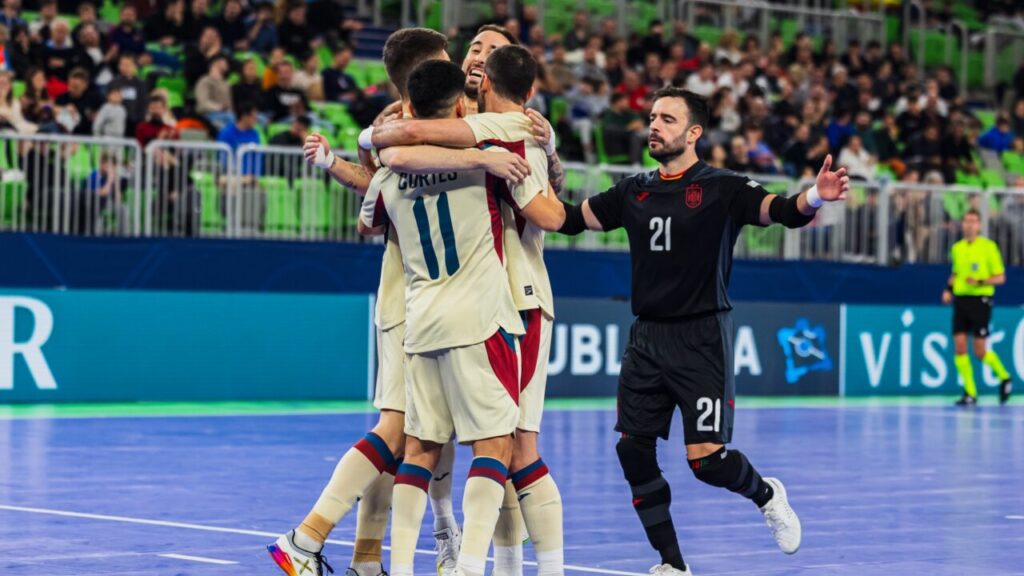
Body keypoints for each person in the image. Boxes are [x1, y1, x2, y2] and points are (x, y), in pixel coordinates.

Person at [556, 87, 851, 575]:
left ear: (693, 133)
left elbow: (781, 211)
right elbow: (568, 219)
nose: (654, 125)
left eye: (667, 119)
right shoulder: (632, 190)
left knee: (706, 462)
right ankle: (673, 564)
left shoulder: (722, 187)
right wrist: (516, 186)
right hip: (647, 338)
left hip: (701, 339)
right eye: (652, 117)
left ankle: (767, 493)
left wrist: (817, 194)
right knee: (632, 449)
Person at [364, 43, 568, 576]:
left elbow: (375, 202)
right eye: (469, 50)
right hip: (485, 312)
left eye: (485, 53)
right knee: (502, 446)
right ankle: (480, 564)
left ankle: (407, 565)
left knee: (421, 448)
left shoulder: (395, 168)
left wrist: (366, 142)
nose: (475, 58)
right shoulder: (500, 143)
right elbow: (547, 213)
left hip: (423, 318)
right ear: (459, 98)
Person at [942, 209, 1013, 406]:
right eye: (966, 221)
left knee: (980, 351)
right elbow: (956, 272)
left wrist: (980, 281)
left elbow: (1000, 277)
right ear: (962, 224)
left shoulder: (989, 247)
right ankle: (970, 393)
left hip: (980, 300)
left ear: (979, 225)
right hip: (961, 300)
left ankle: (1004, 377)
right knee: (959, 346)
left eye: (973, 221)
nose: (969, 225)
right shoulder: (957, 248)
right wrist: (948, 289)